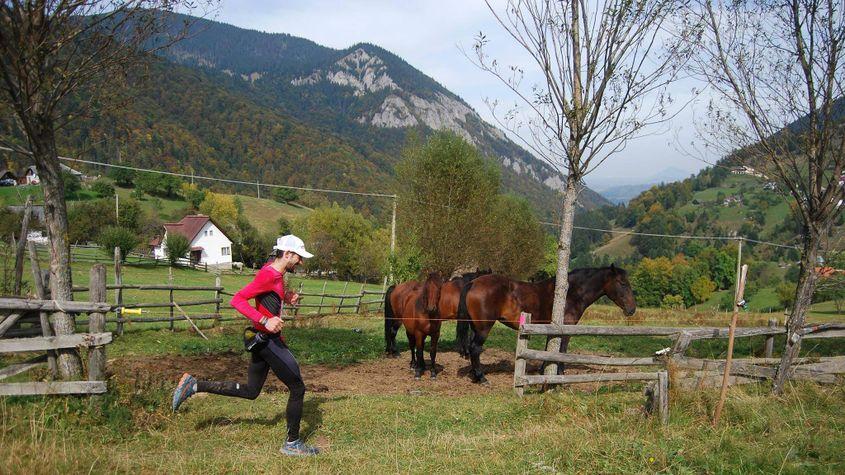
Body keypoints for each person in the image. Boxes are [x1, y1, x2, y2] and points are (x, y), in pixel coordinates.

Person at [171, 234, 319, 457]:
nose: (301, 262)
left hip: (261, 340)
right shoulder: (269, 275)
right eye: (298, 257)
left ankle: (194, 385)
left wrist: (286, 297)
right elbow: (237, 299)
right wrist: (265, 320)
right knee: (298, 387)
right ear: (287, 254)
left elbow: (268, 295)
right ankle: (292, 443)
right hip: (267, 340)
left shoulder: (275, 272)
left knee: (251, 391)